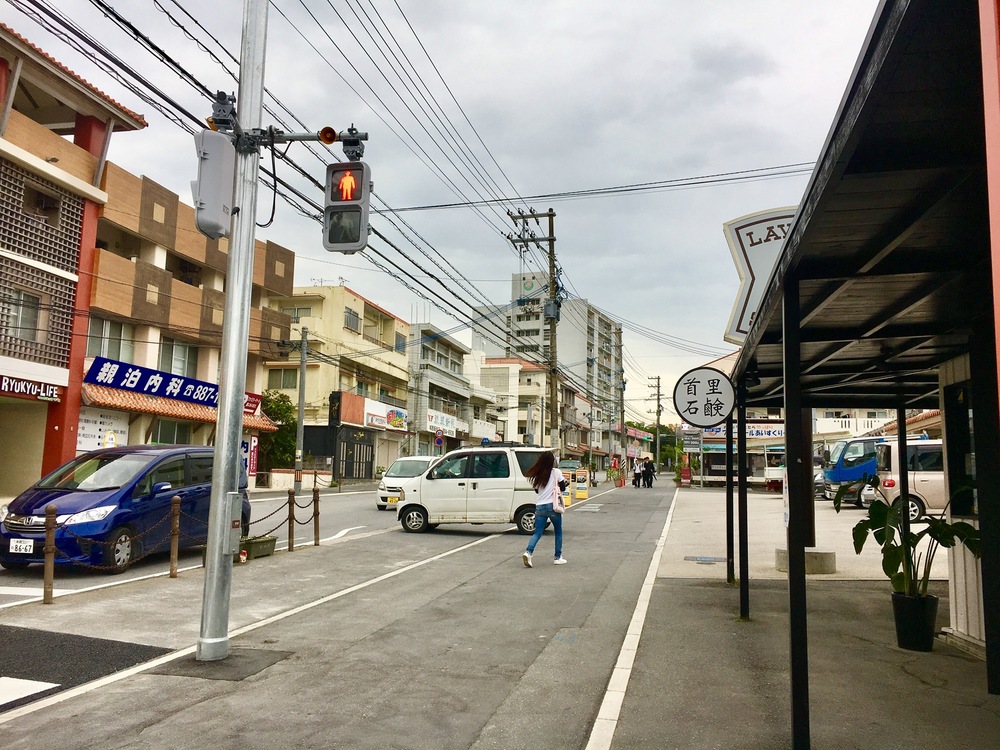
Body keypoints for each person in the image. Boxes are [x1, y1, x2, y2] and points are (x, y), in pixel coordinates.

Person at [521, 451, 568, 568]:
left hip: (540, 507)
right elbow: (562, 487)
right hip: (553, 506)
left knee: (537, 532)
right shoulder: (556, 472)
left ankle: (528, 552)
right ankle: (558, 557)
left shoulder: (538, 474)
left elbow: (537, 490)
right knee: (558, 531)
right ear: (552, 461)